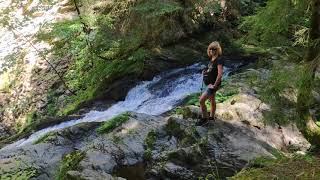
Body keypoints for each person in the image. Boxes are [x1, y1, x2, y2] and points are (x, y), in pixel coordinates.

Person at [196, 41, 223, 126]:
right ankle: (211, 117)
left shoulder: (219, 59)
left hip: (213, 85)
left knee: (201, 101)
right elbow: (210, 70)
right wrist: (205, 72)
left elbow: (219, 73)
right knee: (212, 100)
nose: (212, 50)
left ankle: (204, 119)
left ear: (218, 50)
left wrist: (215, 85)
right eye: (210, 48)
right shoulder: (211, 60)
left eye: (214, 49)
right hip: (210, 84)